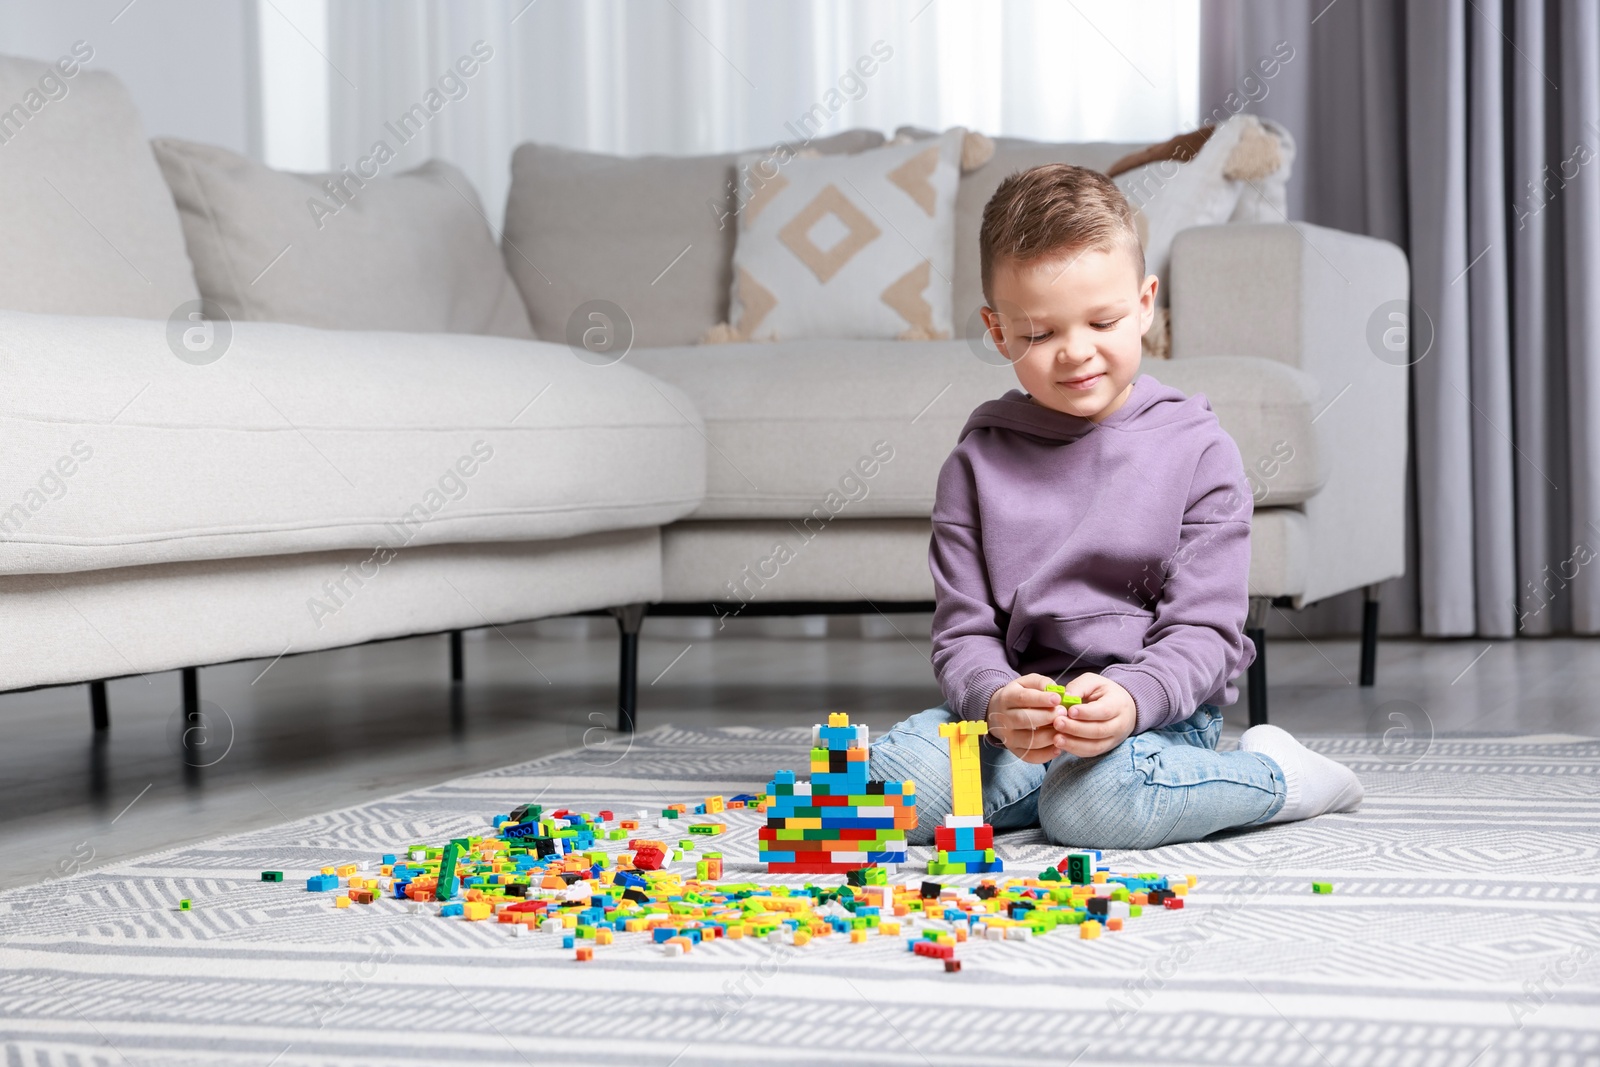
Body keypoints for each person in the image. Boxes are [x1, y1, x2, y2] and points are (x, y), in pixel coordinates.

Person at [869, 164, 1362, 850]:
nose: (1075, 352)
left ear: (1144, 303)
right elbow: (961, 638)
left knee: (1094, 807)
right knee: (887, 788)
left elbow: (1206, 635)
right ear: (997, 328)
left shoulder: (1198, 450)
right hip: (1019, 724)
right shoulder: (976, 462)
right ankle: (1048, 791)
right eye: (1038, 333)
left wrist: (1131, 699)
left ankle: (1277, 776)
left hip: (1156, 714)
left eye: (1102, 320)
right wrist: (996, 699)